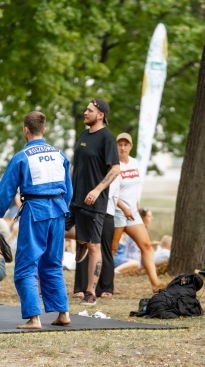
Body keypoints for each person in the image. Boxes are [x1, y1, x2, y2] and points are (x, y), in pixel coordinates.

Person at [0, 111, 72, 329]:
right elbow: (69, 191)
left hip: (35, 212)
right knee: (53, 263)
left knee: (26, 265)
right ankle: (63, 313)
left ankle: (34, 318)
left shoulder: (22, 157)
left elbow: (5, 191)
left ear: (26, 130)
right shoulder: (60, 155)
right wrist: (63, 211)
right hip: (58, 212)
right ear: (44, 130)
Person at [65, 98, 120, 307]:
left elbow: (115, 169)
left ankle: (90, 293)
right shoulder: (83, 135)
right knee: (57, 228)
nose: (85, 113)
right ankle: (82, 240)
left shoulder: (107, 138)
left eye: (89, 110)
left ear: (100, 115)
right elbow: (76, 166)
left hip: (94, 202)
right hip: (74, 198)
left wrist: (97, 190)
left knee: (95, 244)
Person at [111, 133, 164, 292]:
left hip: (132, 212)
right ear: (116, 146)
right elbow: (112, 192)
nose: (122, 147)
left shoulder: (134, 163)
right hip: (118, 211)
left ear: (130, 146)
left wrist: (135, 208)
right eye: (120, 144)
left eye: (126, 144)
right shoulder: (114, 165)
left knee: (146, 245)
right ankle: (103, 285)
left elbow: (135, 189)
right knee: (111, 250)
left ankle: (155, 283)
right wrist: (125, 209)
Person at [71, 175, 119, 298]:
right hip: (86, 209)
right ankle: (81, 287)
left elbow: (112, 194)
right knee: (84, 246)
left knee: (105, 249)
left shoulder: (113, 171)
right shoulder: (90, 168)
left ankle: (106, 287)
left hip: (107, 212)